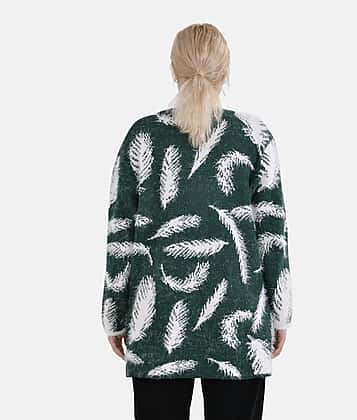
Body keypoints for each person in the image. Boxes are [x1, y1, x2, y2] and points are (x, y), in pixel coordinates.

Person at [101, 23, 292, 420]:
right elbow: (272, 233)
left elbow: (121, 233)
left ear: (173, 68)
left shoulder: (142, 135)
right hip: (239, 324)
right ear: (226, 70)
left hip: (155, 323)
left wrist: (115, 315)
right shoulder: (254, 136)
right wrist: (278, 312)